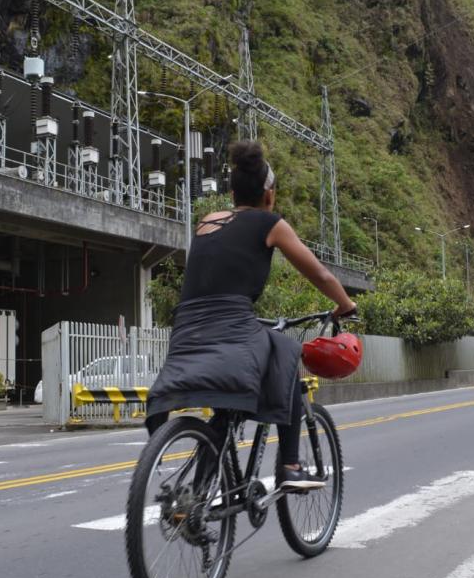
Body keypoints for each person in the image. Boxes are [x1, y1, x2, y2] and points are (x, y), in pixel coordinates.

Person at [145, 140, 356, 490]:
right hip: (233, 326)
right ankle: (290, 464)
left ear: (231, 194)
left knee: (228, 408)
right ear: (269, 195)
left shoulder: (207, 222)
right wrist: (346, 305)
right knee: (287, 353)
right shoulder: (270, 223)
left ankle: (198, 492)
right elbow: (320, 274)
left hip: (187, 329)